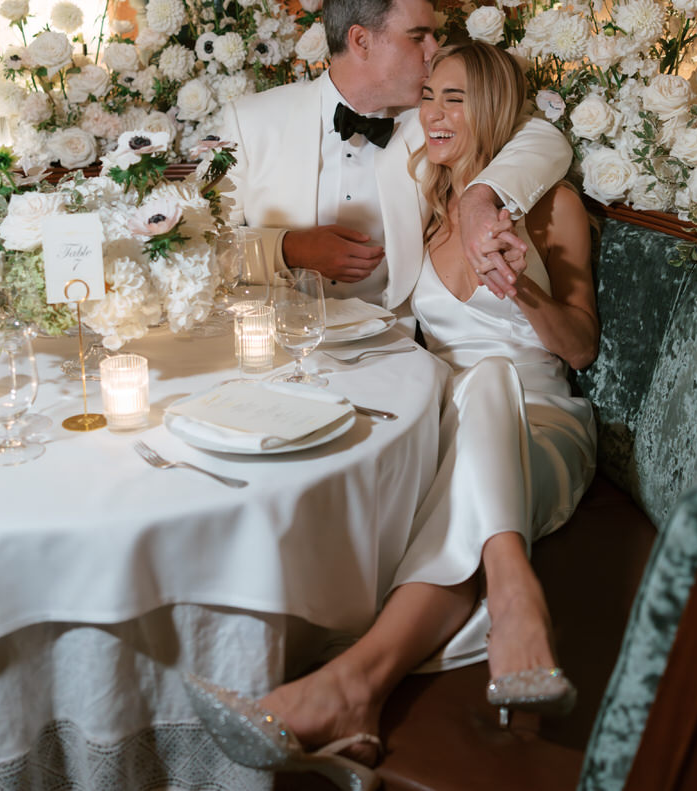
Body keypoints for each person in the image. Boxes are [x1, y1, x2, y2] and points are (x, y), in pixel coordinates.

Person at [187, 42, 600, 790]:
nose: (435, 114)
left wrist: (526, 293)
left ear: (497, 112)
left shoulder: (551, 206)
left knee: (487, 382)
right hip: (446, 430)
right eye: (430, 96)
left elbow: (580, 348)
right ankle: (369, 691)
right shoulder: (427, 202)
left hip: (536, 420)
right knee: (440, 458)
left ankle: (378, 671)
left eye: (457, 99)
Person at [214, 0, 572, 313]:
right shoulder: (250, 122)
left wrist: (479, 198)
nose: (433, 54)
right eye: (418, 37)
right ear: (361, 41)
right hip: (279, 338)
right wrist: (289, 250)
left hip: (394, 346)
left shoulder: (433, 123)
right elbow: (197, 246)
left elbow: (544, 138)